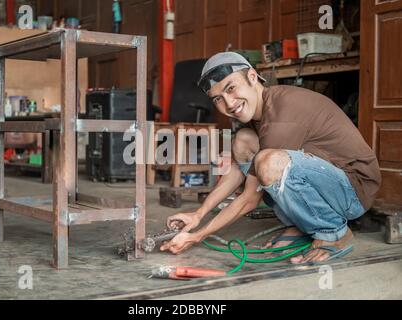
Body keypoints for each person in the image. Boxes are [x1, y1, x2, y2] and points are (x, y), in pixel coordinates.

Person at [160, 52, 381, 264]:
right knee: (243, 140)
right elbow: (238, 172)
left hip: (354, 191)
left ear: (252, 77)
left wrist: (198, 235)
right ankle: (304, 224)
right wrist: (198, 214)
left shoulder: (282, 113)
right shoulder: (260, 113)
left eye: (232, 88)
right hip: (329, 184)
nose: (228, 103)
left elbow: (249, 198)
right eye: (218, 98)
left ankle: (333, 232)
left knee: (268, 162)